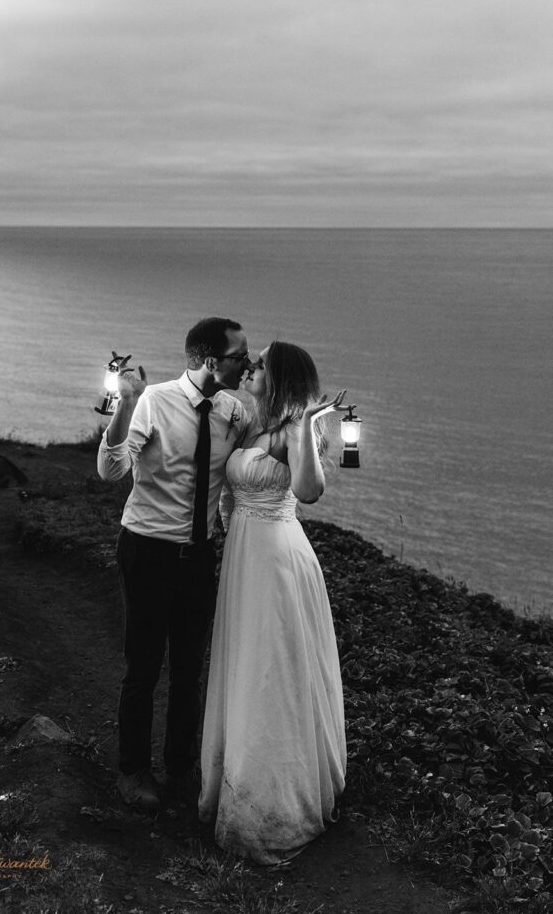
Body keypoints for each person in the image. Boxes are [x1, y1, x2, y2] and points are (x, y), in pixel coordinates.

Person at [198, 340, 348, 864]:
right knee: (246, 662)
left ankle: (271, 804)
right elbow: (227, 484)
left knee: (271, 670)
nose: (253, 368)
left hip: (278, 558)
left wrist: (307, 424)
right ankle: (234, 780)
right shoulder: (253, 427)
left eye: (261, 363)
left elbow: (308, 491)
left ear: (280, 377)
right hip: (245, 554)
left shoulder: (288, 432)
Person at [97, 317, 251, 815]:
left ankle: (181, 768)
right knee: (143, 669)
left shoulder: (234, 411)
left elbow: (243, 475)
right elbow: (112, 469)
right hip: (147, 551)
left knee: (189, 672)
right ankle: (133, 771)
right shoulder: (154, 402)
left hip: (198, 558)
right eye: (238, 357)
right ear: (211, 361)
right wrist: (123, 403)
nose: (245, 364)